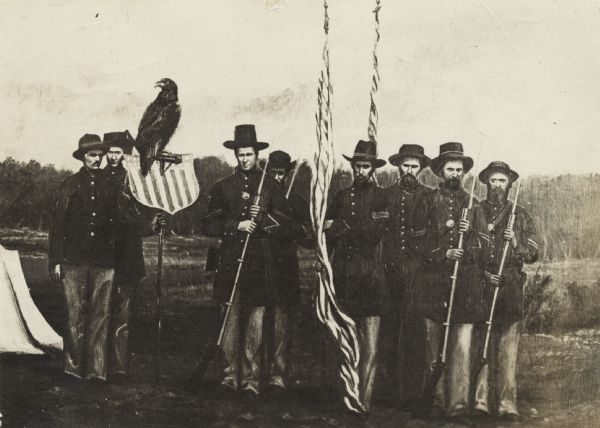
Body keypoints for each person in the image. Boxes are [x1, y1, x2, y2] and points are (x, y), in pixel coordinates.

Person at [48, 134, 151, 382]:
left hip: (105, 262)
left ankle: (96, 370)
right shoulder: (69, 185)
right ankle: (73, 369)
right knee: (75, 317)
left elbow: (125, 220)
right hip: (73, 262)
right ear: (83, 158)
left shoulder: (113, 186)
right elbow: (57, 226)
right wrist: (56, 261)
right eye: (91, 155)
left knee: (100, 318)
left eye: (99, 155)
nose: (97, 159)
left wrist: (150, 224)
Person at [202, 124, 291, 401]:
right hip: (229, 263)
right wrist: (236, 224)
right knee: (229, 320)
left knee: (255, 322)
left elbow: (287, 224)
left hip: (258, 265)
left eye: (249, 154)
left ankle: (251, 379)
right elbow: (208, 224)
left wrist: (264, 217)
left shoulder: (271, 187)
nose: (244, 159)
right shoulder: (222, 188)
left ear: (257, 155)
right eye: (240, 154)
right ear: (235, 155)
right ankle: (230, 376)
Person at [411, 142, 490, 421]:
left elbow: (485, 246)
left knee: (461, 348)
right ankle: (435, 400)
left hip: (466, 288)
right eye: (450, 169)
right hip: (434, 285)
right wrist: (444, 252)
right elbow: (416, 242)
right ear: (441, 172)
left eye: (459, 170)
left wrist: (467, 240)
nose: (455, 174)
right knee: (434, 346)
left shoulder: (475, 206)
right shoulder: (427, 202)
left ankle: (457, 406)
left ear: (464, 173)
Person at [324, 139, 388, 414]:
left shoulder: (382, 198)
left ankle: (365, 400)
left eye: (366, 166)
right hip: (345, 280)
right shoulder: (339, 197)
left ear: (373, 169)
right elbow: (327, 234)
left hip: (372, 280)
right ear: (352, 167)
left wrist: (341, 227)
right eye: (357, 166)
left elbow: (373, 233)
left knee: (370, 346)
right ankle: (347, 398)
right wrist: (324, 257)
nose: (361, 171)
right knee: (346, 342)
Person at [474, 161, 539, 423]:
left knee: (508, 350)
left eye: (502, 181)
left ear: (509, 184)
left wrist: (515, 242)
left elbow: (533, 253)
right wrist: (483, 274)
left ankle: (506, 403)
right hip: (481, 288)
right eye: (493, 181)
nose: (497, 185)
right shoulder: (476, 210)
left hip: (510, 289)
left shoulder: (520, 215)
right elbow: (468, 249)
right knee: (482, 348)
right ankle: (480, 401)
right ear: (486, 183)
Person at [102, 130, 162, 383]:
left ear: (125, 154)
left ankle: (119, 367)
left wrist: (153, 223)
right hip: (102, 256)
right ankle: (98, 364)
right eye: (111, 152)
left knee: (124, 315)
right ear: (105, 153)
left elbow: (144, 214)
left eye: (119, 152)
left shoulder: (136, 181)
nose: (114, 157)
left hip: (127, 257)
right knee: (100, 312)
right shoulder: (98, 179)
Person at [380, 144, 432, 410]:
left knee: (414, 334)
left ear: (421, 168)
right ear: (398, 167)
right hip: (389, 275)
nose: (409, 170)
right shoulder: (386, 195)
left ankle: (413, 394)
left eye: (414, 166)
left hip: (418, 276)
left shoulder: (429, 196)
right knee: (388, 333)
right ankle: (387, 392)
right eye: (405, 165)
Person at [264, 150, 312, 398]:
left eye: (280, 173)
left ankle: (278, 375)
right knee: (260, 320)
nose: (276, 178)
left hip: (286, 269)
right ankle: (258, 373)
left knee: (283, 321)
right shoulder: (259, 197)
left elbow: (309, 238)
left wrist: (290, 228)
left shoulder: (297, 200)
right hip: (261, 266)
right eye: (272, 173)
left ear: (287, 174)